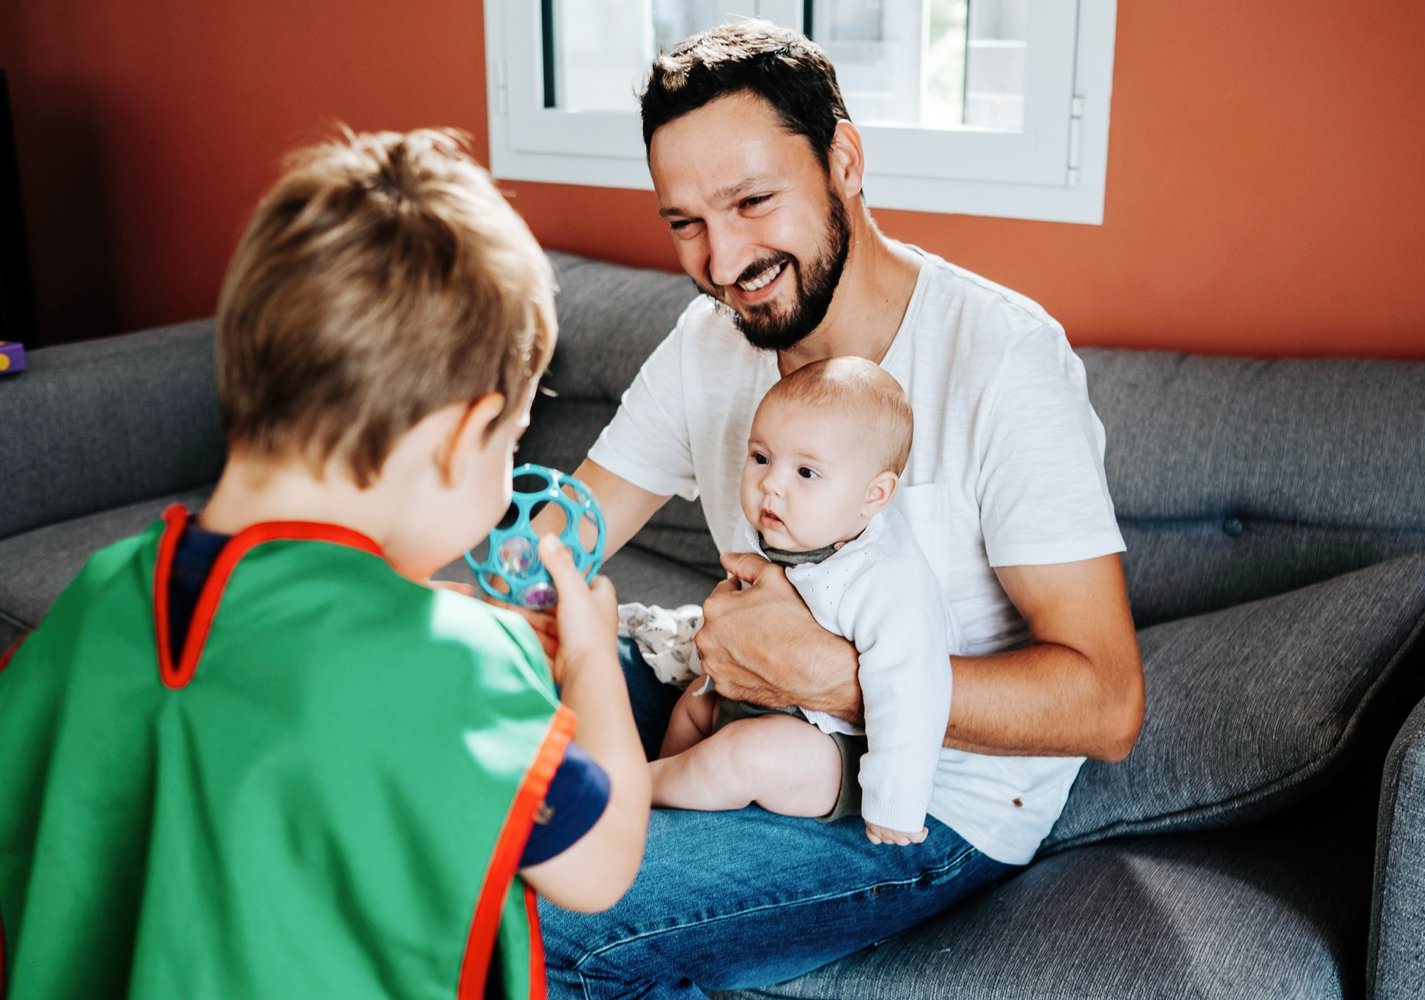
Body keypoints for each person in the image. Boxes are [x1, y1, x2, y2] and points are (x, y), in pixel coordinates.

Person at [528, 19, 1145, 998]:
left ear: (844, 161)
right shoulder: (709, 343)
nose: (721, 259)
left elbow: (1107, 704)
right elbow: (570, 525)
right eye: (684, 220)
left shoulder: (1000, 359)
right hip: (729, 692)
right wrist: (474, 601)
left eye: (752, 202)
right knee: (447, 769)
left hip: (919, 797)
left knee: (546, 924)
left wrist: (838, 675)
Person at [0, 129, 650, 999]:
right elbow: (600, 867)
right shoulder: (452, 666)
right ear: (459, 438)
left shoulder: (95, 599)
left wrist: (420, 611)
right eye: (514, 444)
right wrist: (594, 660)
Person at [652, 356, 954, 847]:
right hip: (745, 698)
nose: (772, 483)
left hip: (830, 749)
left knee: (745, 754)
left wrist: (895, 804)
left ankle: (640, 788)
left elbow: (913, 689)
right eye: (761, 458)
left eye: (807, 472)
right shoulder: (773, 527)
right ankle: (669, 788)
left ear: (874, 495)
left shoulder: (885, 576)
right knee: (692, 705)